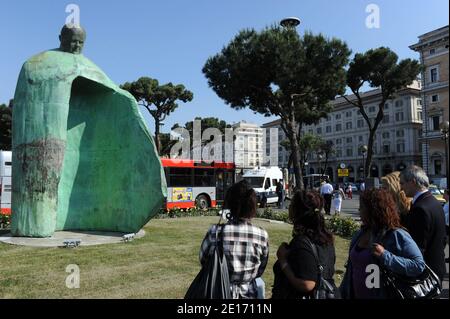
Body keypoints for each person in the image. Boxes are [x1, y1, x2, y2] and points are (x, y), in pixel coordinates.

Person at [340, 188, 425, 299]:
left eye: (362, 207)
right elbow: (351, 270)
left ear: (374, 210)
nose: (359, 210)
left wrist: (385, 256)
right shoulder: (360, 234)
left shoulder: (396, 234)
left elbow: (418, 265)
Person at [199, 180, 269, 299]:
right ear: (252, 205)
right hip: (249, 294)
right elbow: (260, 269)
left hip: (218, 292)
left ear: (230, 204)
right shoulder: (262, 235)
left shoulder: (215, 232)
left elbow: (203, 260)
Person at [272, 190, 339, 299]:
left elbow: (307, 284)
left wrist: (283, 261)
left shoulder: (302, 243)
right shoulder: (324, 238)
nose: (289, 207)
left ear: (297, 211)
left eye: (292, 205)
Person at [399, 165, 446, 281]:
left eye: (403, 183)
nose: (401, 188)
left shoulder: (421, 208)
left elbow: (417, 248)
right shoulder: (433, 202)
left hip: (425, 273)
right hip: (436, 267)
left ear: (413, 182)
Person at [443, 189, 449, 263]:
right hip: (446, 225)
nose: (443, 195)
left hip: (447, 225)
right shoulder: (447, 203)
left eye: (444, 194)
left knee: (446, 240)